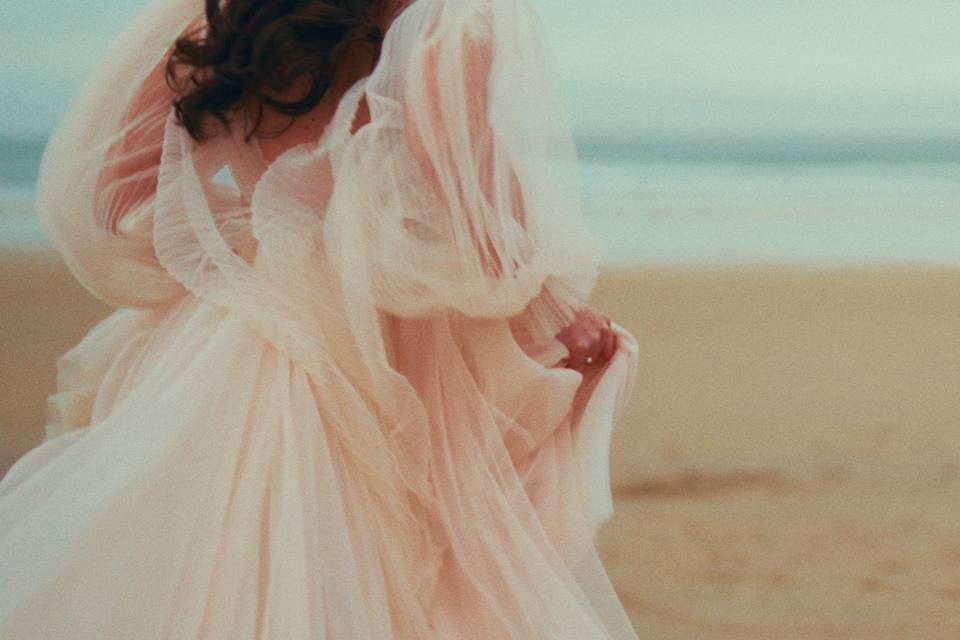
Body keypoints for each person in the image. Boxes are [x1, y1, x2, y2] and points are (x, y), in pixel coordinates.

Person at [0, 0, 640, 637]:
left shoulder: (223, 25)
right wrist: (549, 307)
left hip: (228, 330)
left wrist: (261, 224)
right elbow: (460, 195)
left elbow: (113, 197)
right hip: (379, 342)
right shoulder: (443, 23)